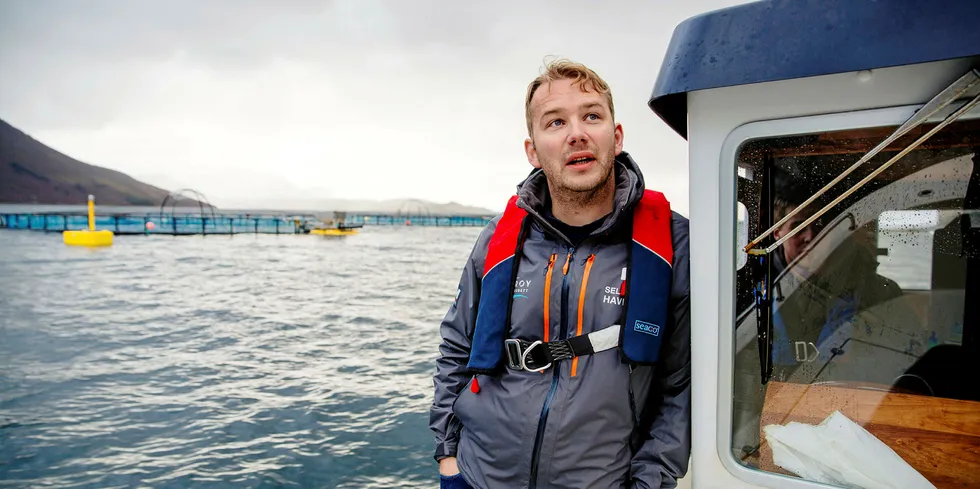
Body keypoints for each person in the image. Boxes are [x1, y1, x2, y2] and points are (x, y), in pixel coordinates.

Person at [429, 59, 691, 489]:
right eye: (555, 122)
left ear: (616, 136)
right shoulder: (499, 238)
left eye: (592, 115)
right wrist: (448, 457)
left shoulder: (670, 243)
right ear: (533, 150)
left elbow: (681, 387)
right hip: (477, 477)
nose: (577, 133)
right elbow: (456, 347)